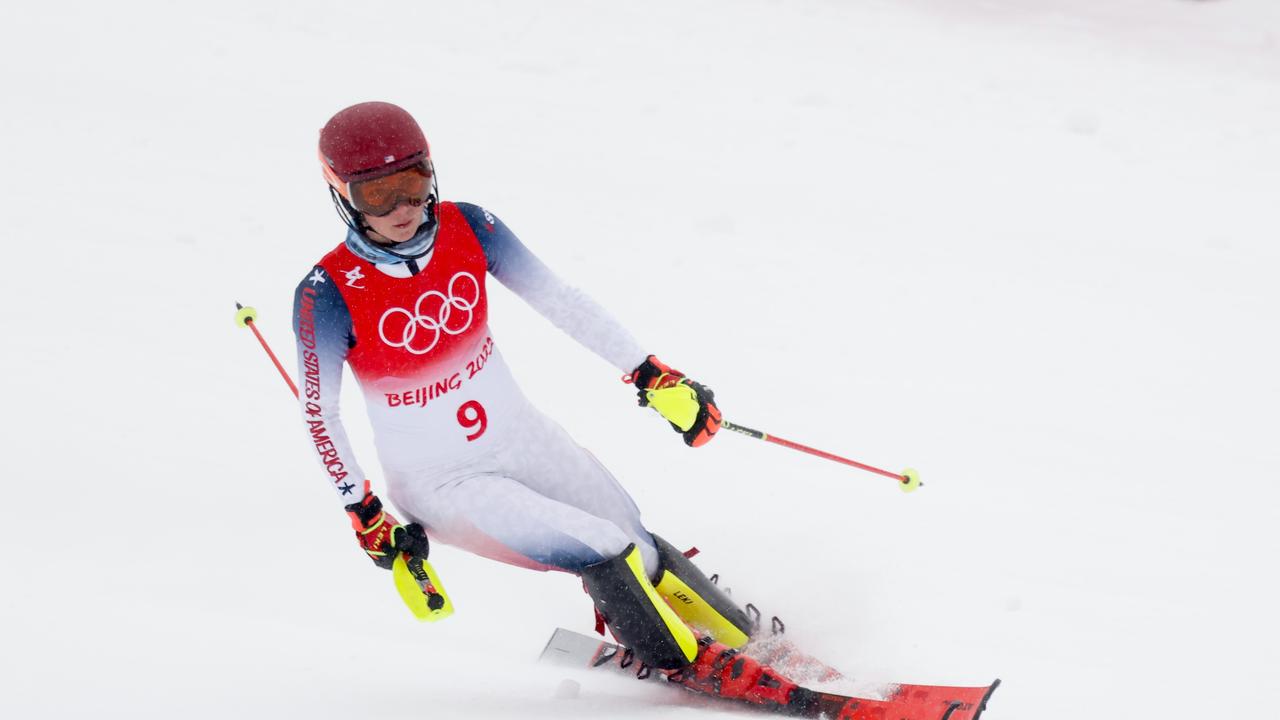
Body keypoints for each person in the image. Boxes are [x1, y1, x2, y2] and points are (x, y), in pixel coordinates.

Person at [294, 101, 813, 712]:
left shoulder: (472, 225)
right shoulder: (327, 293)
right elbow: (320, 417)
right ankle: (689, 663)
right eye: (378, 195)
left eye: (412, 184)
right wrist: (365, 511)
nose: (402, 210)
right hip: (444, 481)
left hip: (518, 436)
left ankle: (747, 641)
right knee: (598, 545)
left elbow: (560, 300)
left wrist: (649, 373)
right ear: (343, 195)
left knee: (633, 539)